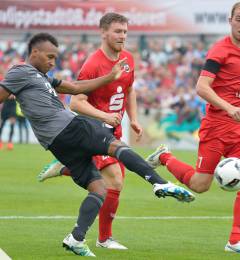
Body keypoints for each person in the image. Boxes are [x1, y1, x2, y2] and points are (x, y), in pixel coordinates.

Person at [0, 33, 195, 257]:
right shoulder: (20, 71)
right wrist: (11, 92)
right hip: (69, 127)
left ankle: (76, 238)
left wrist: (110, 77)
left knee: (99, 188)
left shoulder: (42, 77)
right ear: (34, 52)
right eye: (49, 57)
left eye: (55, 58)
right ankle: (159, 183)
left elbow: (74, 87)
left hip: (56, 143)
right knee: (116, 146)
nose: (53, 62)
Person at [146, 1, 240, 255]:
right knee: (200, 185)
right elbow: (202, 87)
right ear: (230, 20)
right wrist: (229, 108)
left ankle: (235, 241)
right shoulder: (220, 50)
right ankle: (164, 156)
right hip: (217, 126)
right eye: (238, 19)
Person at [38, 12, 144, 250]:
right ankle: (103, 239)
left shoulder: (127, 59)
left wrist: (134, 119)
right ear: (103, 32)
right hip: (93, 131)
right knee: (114, 180)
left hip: (114, 131)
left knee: (116, 183)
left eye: (125, 32)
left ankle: (66, 168)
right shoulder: (93, 64)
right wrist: (105, 116)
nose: (122, 36)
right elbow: (75, 103)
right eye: (118, 31)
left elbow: (130, 90)